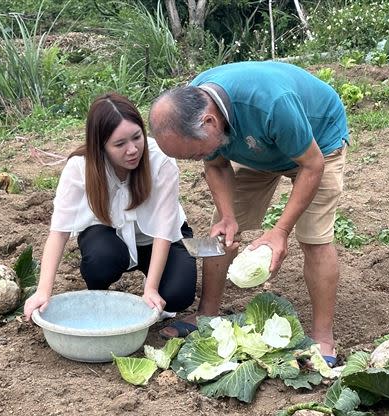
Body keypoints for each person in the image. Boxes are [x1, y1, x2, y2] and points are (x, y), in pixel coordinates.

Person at [149, 61, 349, 365]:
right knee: (222, 230)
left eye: (195, 153)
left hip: (317, 144)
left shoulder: (272, 103)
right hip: (256, 147)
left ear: (210, 122)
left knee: (314, 238)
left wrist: (280, 231)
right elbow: (214, 164)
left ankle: (323, 337)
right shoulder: (198, 103)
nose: (197, 159)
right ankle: (207, 314)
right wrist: (229, 216)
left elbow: (312, 165)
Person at [24, 93, 197, 321]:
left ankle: (152, 276)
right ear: (101, 146)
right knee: (101, 259)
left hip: (157, 238)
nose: (133, 149)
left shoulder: (160, 160)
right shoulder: (80, 167)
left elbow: (164, 231)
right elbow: (59, 232)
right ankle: (99, 293)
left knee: (178, 295)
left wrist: (151, 288)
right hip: (109, 236)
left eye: (137, 137)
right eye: (120, 144)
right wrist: (43, 291)